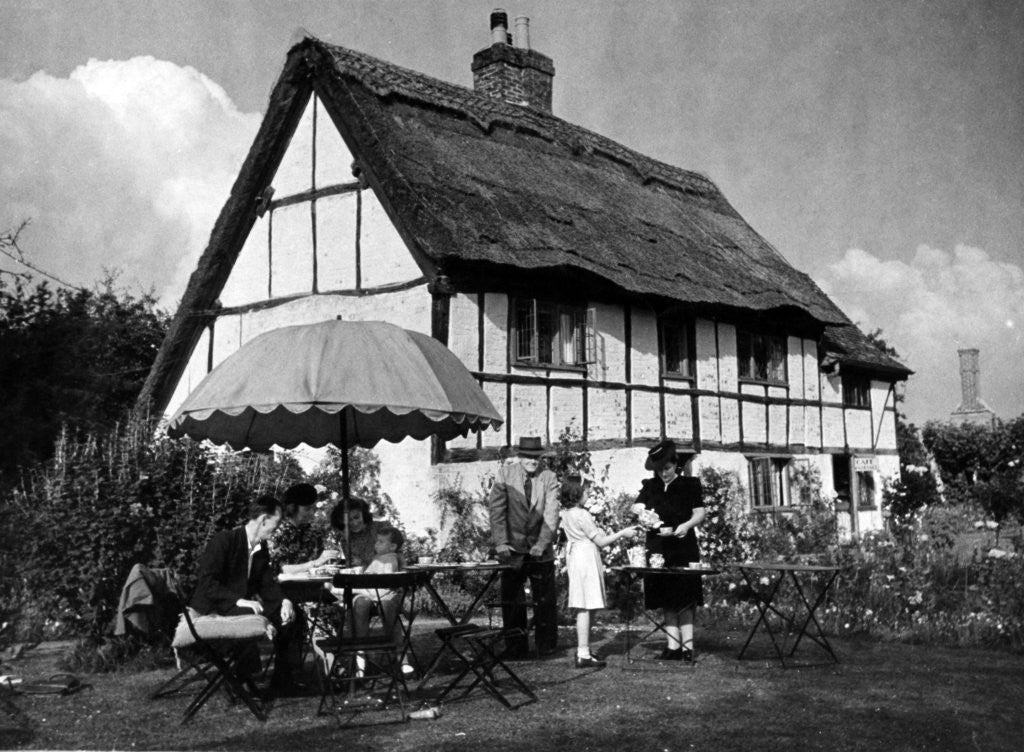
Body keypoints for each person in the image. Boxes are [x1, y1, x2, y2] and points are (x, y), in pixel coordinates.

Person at [190, 494, 299, 691]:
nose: (278, 527)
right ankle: (242, 678)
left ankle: (283, 680)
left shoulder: (260, 547)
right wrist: (239, 600)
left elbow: (266, 583)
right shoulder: (224, 540)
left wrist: (284, 601)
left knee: (290, 617)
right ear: (264, 519)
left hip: (239, 605)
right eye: (277, 521)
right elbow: (207, 583)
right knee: (250, 614)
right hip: (215, 605)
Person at [487, 436, 561, 658]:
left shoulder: (549, 477)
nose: (533, 461)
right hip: (512, 550)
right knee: (512, 601)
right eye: (528, 457)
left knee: (545, 601)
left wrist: (541, 544)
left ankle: (546, 647)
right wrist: (500, 542)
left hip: (540, 549)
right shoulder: (505, 474)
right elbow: (497, 511)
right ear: (519, 457)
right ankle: (516, 648)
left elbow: (551, 514)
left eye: (536, 457)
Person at [636, 439, 707, 661]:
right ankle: (672, 647)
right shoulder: (650, 486)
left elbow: (699, 513)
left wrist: (686, 526)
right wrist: (640, 511)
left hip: (683, 547)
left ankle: (687, 649)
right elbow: (636, 506)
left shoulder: (690, 485)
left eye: (666, 469)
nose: (663, 474)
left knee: (685, 598)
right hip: (658, 549)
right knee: (666, 598)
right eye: (659, 470)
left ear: (675, 464)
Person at [559, 476, 637, 668]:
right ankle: (583, 653)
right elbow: (600, 542)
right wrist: (622, 533)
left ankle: (584, 651)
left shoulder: (566, 512)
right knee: (586, 605)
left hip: (577, 556)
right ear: (576, 493)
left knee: (588, 604)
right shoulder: (581, 514)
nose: (589, 494)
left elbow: (590, 535)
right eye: (585, 492)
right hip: (585, 558)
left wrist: (599, 532)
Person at [269, 482, 341, 575]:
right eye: (307, 509)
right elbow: (281, 569)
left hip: (313, 587)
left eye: (313, 509)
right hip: (284, 588)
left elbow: (322, 565)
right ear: (292, 508)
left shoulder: (314, 533)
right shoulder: (277, 532)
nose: (312, 513)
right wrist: (315, 563)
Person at [328, 496, 379, 568]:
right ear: (341, 521)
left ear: (363, 514)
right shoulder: (346, 540)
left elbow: (396, 557)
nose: (355, 523)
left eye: (357, 517)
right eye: (349, 520)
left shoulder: (380, 528)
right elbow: (354, 567)